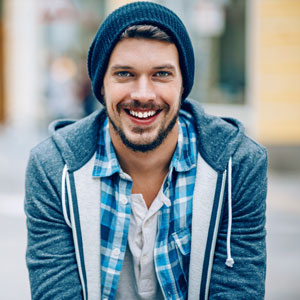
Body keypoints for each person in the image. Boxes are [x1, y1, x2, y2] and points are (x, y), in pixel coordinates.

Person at [25, 2, 268, 299]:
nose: (143, 94)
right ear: (101, 86)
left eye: (161, 74)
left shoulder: (237, 164)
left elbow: (237, 292)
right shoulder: (52, 168)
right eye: (125, 74)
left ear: (183, 85)